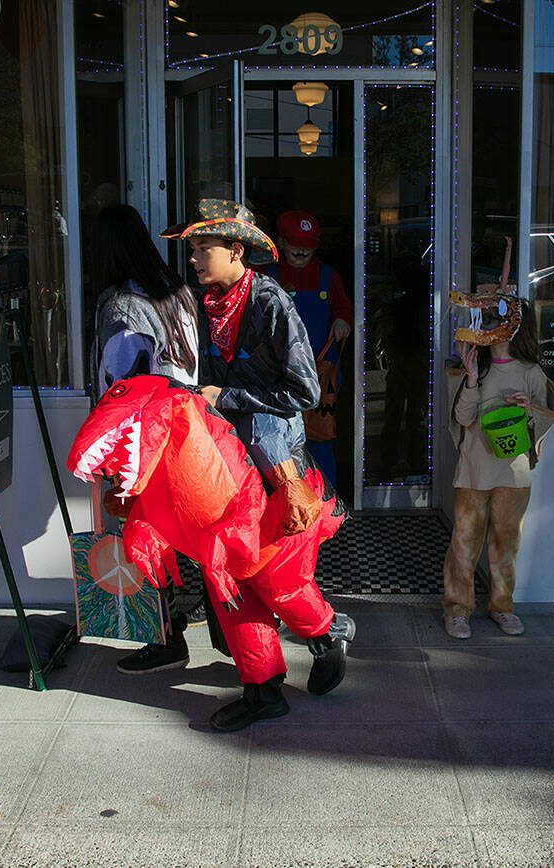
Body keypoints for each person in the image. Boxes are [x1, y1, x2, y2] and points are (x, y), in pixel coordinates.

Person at [159, 198, 355, 731]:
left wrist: (226, 396)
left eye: (204, 248)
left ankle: (326, 633)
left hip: (274, 472)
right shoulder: (207, 303)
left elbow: (305, 391)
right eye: (192, 249)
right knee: (229, 578)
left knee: (276, 579)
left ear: (236, 250)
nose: (195, 259)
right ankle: (263, 687)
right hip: (224, 465)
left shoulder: (269, 302)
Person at [86, 203, 204, 676]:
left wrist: (107, 451)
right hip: (187, 429)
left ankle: (166, 636)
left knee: (145, 537)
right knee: (183, 534)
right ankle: (187, 626)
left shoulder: (120, 307)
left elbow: (120, 384)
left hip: (141, 438)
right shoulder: (177, 292)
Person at [443, 297, 554, 639]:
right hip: (472, 471)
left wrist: (529, 410)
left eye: (498, 318)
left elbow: (544, 416)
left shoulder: (530, 372)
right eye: (488, 319)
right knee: (464, 541)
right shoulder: (471, 365)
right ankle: (457, 608)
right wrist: (470, 380)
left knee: (506, 542)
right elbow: (463, 418)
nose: (491, 326)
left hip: (514, 473)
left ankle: (502, 606)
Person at [264, 210, 353, 484]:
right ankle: (290, 505)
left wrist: (342, 319)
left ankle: (327, 504)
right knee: (279, 441)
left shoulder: (329, 275)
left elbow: (344, 307)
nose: (302, 250)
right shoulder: (267, 276)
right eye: (294, 242)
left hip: (321, 373)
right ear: (281, 242)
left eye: (309, 244)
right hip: (279, 374)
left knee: (321, 437)